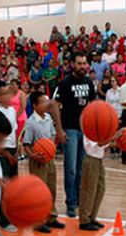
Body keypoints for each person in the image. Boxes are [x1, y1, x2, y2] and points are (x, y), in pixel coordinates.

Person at [51, 51, 96, 218]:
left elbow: (92, 105)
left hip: (85, 130)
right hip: (69, 129)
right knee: (70, 168)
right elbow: (55, 105)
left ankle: (78, 200)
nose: (82, 66)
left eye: (84, 63)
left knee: (81, 169)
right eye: (79, 63)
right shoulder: (65, 83)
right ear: (73, 65)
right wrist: (59, 129)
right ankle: (70, 202)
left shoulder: (89, 83)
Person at [22, 92, 65, 234]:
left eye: (47, 101)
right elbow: (26, 145)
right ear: (35, 105)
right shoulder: (31, 123)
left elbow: (52, 135)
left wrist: (52, 147)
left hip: (49, 159)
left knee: (51, 188)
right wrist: (33, 155)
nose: (47, 104)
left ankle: (51, 217)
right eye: (43, 102)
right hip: (38, 161)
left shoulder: (48, 118)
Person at [0, 81, 19, 232]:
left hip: (12, 149)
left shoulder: (12, 111)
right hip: (2, 152)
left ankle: (10, 214)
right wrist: (6, 153)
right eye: (4, 94)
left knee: (13, 185)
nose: (8, 96)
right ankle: (2, 218)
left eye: (9, 93)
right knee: (4, 186)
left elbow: (14, 131)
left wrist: (16, 150)